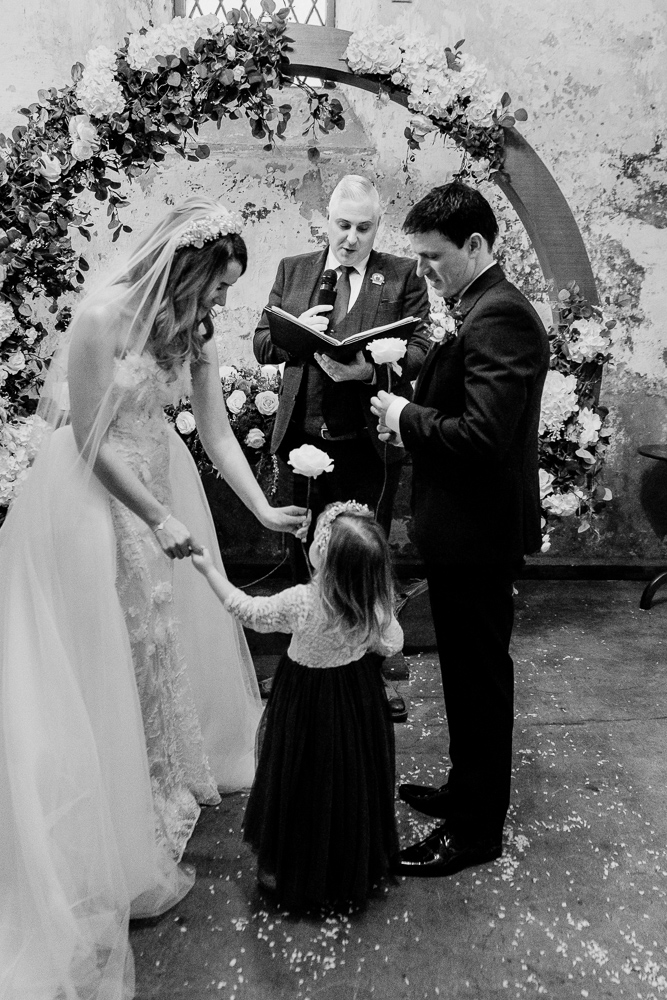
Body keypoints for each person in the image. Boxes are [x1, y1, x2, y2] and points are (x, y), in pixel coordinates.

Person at [0, 198, 305, 999]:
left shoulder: (193, 331)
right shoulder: (102, 316)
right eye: (215, 288)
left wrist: (260, 506)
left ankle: (147, 790)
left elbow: (212, 432)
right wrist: (159, 517)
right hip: (92, 502)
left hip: (159, 488)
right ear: (183, 267)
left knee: (151, 647)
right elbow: (92, 442)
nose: (219, 307)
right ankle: (102, 812)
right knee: (104, 649)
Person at [371, 181, 550, 878]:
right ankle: (462, 788)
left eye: (431, 258)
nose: (422, 273)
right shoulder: (474, 305)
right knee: (463, 674)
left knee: (479, 680)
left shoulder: (500, 315)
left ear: (475, 245)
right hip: (458, 529)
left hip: (478, 534)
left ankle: (475, 832)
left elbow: (480, 435)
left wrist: (401, 419)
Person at [253, 174, 431, 719]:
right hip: (300, 440)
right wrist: (293, 332)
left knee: (364, 559)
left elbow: (422, 348)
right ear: (326, 220)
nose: (350, 237)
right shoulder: (295, 270)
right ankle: (305, 663)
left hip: (367, 444)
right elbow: (262, 343)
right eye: (342, 225)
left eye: (363, 226)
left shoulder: (402, 274)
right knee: (300, 548)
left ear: (377, 226)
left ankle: (371, 676)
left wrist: (371, 366)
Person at [192, 501, 403, 910]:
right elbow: (391, 642)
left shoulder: (303, 601)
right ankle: (343, 864)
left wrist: (207, 570)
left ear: (323, 555)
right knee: (345, 779)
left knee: (302, 778)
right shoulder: (371, 599)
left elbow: (246, 611)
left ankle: (294, 865)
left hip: (304, 699)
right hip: (354, 698)